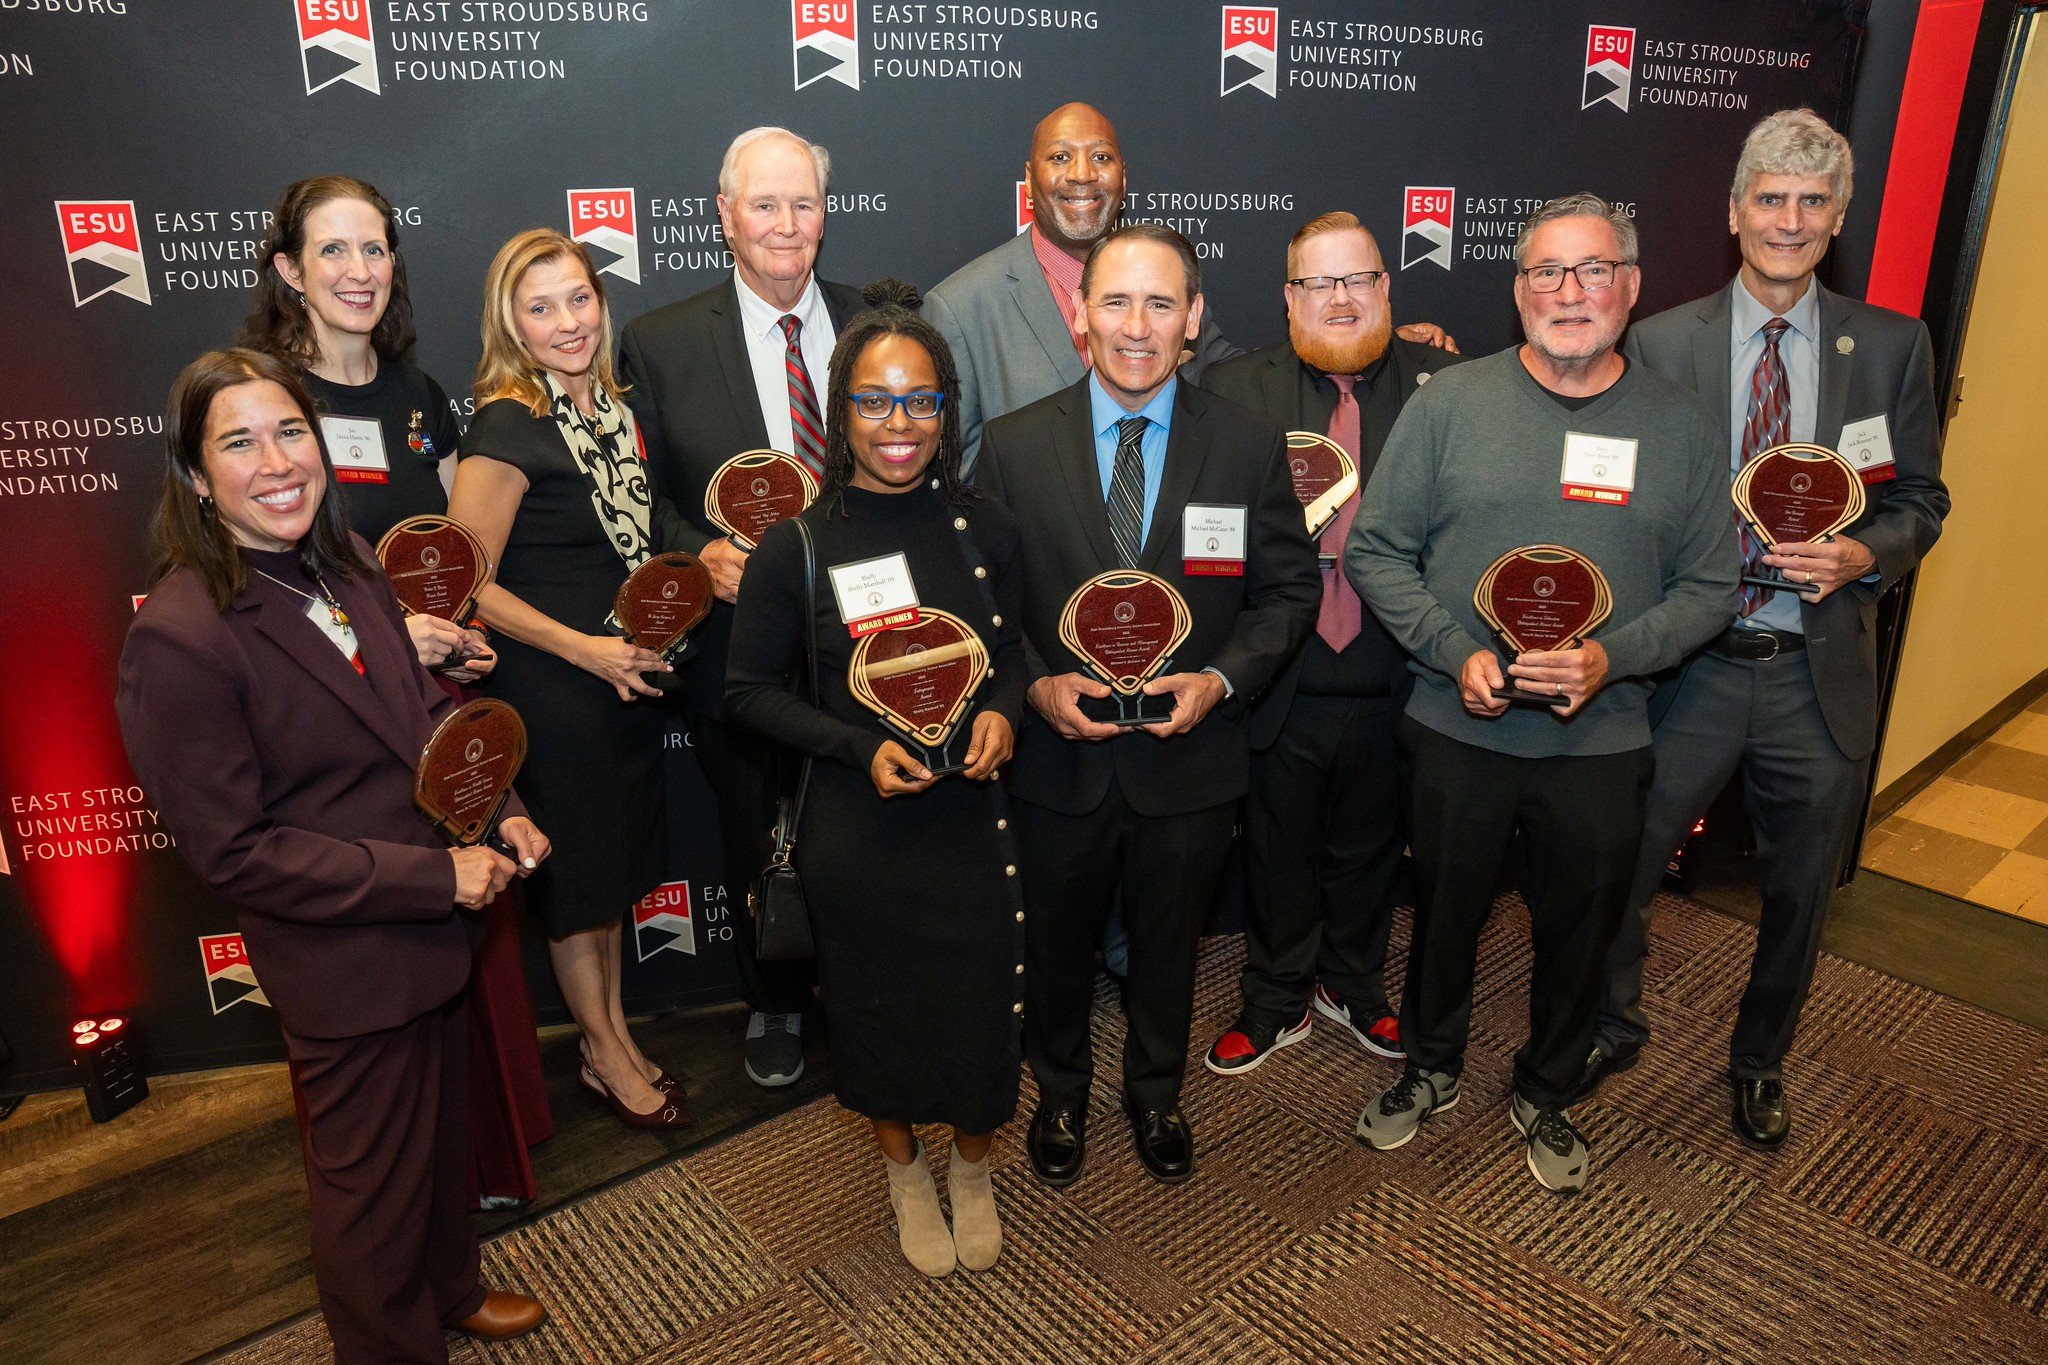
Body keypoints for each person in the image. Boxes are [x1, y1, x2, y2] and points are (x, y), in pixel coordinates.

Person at [116, 348, 549, 1362]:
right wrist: (435, 875)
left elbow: (419, 706)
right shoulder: (182, 636)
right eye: (239, 443)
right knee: (368, 1198)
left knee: (435, 1147)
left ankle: (449, 1289)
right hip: (347, 959)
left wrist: (500, 806)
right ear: (195, 476)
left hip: (436, 933)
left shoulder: (344, 557)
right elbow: (237, 853)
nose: (276, 463)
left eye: (290, 432)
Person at [1346, 195, 1738, 1193]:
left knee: (1580, 931)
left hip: (1599, 739)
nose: (1569, 293)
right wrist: (1451, 652)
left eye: (1592, 270)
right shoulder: (1448, 404)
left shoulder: (1683, 427)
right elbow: (1375, 549)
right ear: (1517, 292)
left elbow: (1711, 587)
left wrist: (1614, 657)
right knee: (1441, 917)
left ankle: (1548, 1087)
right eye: (1546, 273)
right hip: (1456, 725)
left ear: (1630, 286)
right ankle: (1429, 1067)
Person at [1587, 110, 1949, 1149]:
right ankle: (1610, 1023)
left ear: (1836, 218)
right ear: (1734, 211)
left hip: (1812, 666)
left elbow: (1920, 499)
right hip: (1689, 667)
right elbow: (1623, 498)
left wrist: (1862, 555)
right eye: (1770, 198)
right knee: (1622, 864)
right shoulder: (1659, 342)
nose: (1789, 220)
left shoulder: (1890, 347)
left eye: (1811, 202)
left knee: (1797, 892)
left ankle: (1758, 1060)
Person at [977, 224, 1320, 1187]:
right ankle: (1060, 1092)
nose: (1137, 326)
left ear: (1194, 318)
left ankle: (1157, 1090)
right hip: (1059, 760)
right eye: (1116, 302)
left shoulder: (1247, 444)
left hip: (1190, 758)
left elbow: (1288, 592)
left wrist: (1221, 680)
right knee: (1053, 946)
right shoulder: (1011, 446)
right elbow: (984, 604)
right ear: (1080, 315)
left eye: (1161, 303)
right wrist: (1034, 683)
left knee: (1171, 946)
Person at [241, 174, 554, 1209]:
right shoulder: (263, 402)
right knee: (383, 965)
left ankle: (482, 1168)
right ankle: (395, 1207)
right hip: (338, 731)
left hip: (436, 708)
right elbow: (256, 583)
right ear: (289, 270)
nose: (357, 271)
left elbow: (457, 558)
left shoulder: (418, 395)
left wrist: (461, 636)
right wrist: (384, 636)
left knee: (469, 936)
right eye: (332, 250)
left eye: (373, 248)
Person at [726, 279, 1026, 1278]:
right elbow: (746, 692)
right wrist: (856, 748)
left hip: (973, 820)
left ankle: (973, 1165)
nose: (898, 424)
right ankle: (903, 1168)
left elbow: (1015, 655)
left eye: (919, 400)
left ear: (945, 410)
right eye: (874, 400)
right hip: (858, 828)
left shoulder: (988, 530)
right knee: (876, 1011)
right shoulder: (796, 546)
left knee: (981, 1010)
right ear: (842, 411)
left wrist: (1004, 710)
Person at [617, 127, 860, 1089]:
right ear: (725, 216)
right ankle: (774, 998)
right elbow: (640, 501)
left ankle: (868, 987)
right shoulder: (661, 343)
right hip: (738, 645)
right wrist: (695, 554)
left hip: (868, 636)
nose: (786, 225)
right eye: (765, 205)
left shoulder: (881, 321)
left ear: (825, 215)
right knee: (755, 827)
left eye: (804, 204)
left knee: (871, 818)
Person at [1200, 212, 1456, 1076]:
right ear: (1289, 298)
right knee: (1274, 847)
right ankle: (1275, 997)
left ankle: (1353, 982)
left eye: (1358, 279)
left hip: (1397, 667)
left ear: (1387, 287)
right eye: (1319, 282)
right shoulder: (1235, 389)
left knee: (1373, 844)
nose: (1340, 298)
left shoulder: (1446, 386)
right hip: (1281, 670)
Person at [448, 229, 692, 1130]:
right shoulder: (508, 423)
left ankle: (612, 1031)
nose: (567, 322)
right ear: (510, 323)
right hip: (554, 691)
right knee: (578, 888)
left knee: (608, 879)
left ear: (601, 300)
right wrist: (581, 649)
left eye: (578, 299)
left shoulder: (614, 409)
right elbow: (466, 579)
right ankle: (603, 1051)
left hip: (618, 682)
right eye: (540, 307)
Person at [926, 101, 1457, 472]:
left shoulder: (1169, 280)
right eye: (1060, 157)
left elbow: (1248, 380)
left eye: (1101, 157)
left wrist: (1358, 341)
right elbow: (958, 475)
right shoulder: (960, 307)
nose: (1082, 174)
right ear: (1029, 178)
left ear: (1124, 178)